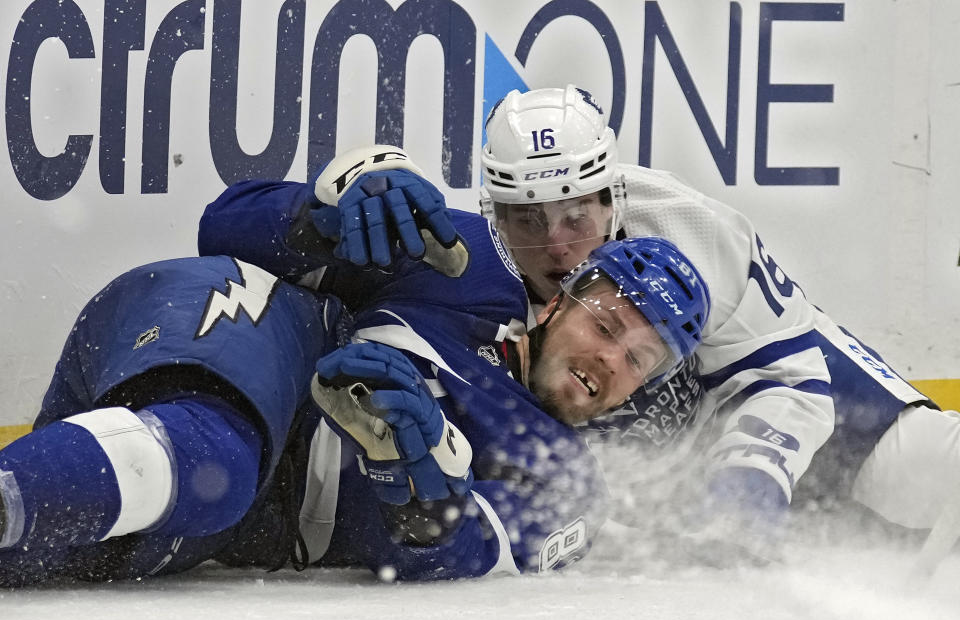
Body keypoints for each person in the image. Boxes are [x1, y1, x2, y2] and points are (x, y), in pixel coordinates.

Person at [0, 146, 710, 586]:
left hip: (232, 506)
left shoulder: (569, 483)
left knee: (74, 554)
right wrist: (322, 215)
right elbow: (223, 224)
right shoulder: (467, 264)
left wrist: (416, 492)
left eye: (638, 360)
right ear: (557, 307)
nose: (609, 359)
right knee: (211, 461)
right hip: (227, 341)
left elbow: (433, 556)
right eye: (607, 325)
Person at [476, 85, 960, 561]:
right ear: (495, 216)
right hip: (678, 494)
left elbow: (789, 377)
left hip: (807, 405)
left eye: (575, 216)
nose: (557, 247)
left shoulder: (691, 229)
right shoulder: (475, 279)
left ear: (611, 199)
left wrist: (752, 475)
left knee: (937, 474)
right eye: (529, 221)